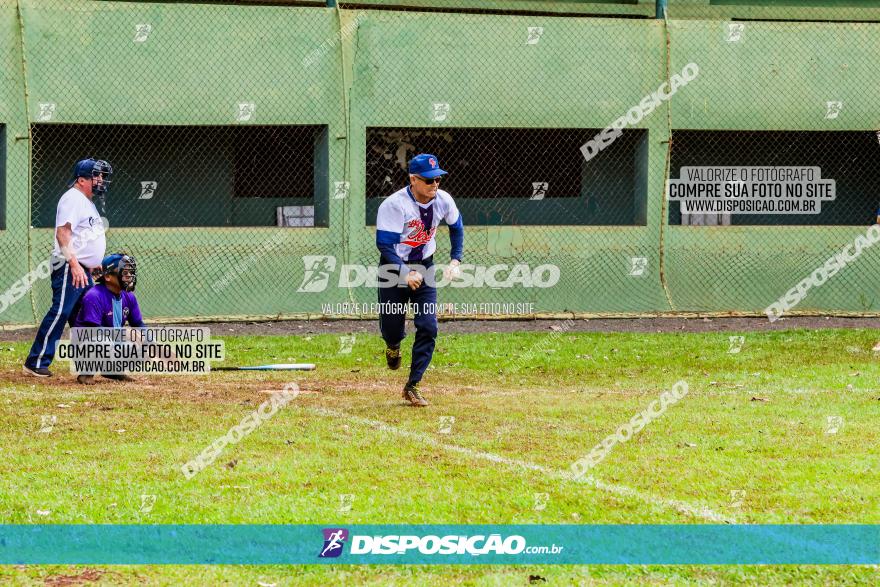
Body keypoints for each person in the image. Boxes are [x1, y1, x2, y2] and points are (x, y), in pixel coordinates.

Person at [375, 153, 464, 407]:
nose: (435, 184)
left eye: (438, 179)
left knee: (428, 326)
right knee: (392, 327)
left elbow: (457, 226)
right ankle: (392, 346)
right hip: (393, 269)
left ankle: (413, 384)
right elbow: (385, 244)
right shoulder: (394, 205)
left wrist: (455, 259)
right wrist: (404, 272)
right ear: (413, 179)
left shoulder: (443, 200)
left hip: (425, 267)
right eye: (428, 180)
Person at [23, 158, 112, 377]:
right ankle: (36, 362)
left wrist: (91, 264)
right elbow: (63, 233)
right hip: (68, 266)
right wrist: (74, 263)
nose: (101, 180)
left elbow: (82, 238)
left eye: (102, 176)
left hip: (81, 269)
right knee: (61, 311)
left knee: (84, 316)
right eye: (96, 175)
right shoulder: (72, 198)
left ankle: (89, 365)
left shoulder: (87, 202)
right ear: (81, 180)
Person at [72, 253, 143, 385]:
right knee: (102, 342)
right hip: (86, 344)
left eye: (131, 272)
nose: (129, 276)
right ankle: (86, 373)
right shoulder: (94, 296)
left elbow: (139, 324)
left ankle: (112, 371)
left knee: (141, 344)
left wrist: (158, 348)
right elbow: (93, 331)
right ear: (108, 276)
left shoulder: (129, 296)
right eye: (124, 272)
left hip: (110, 340)